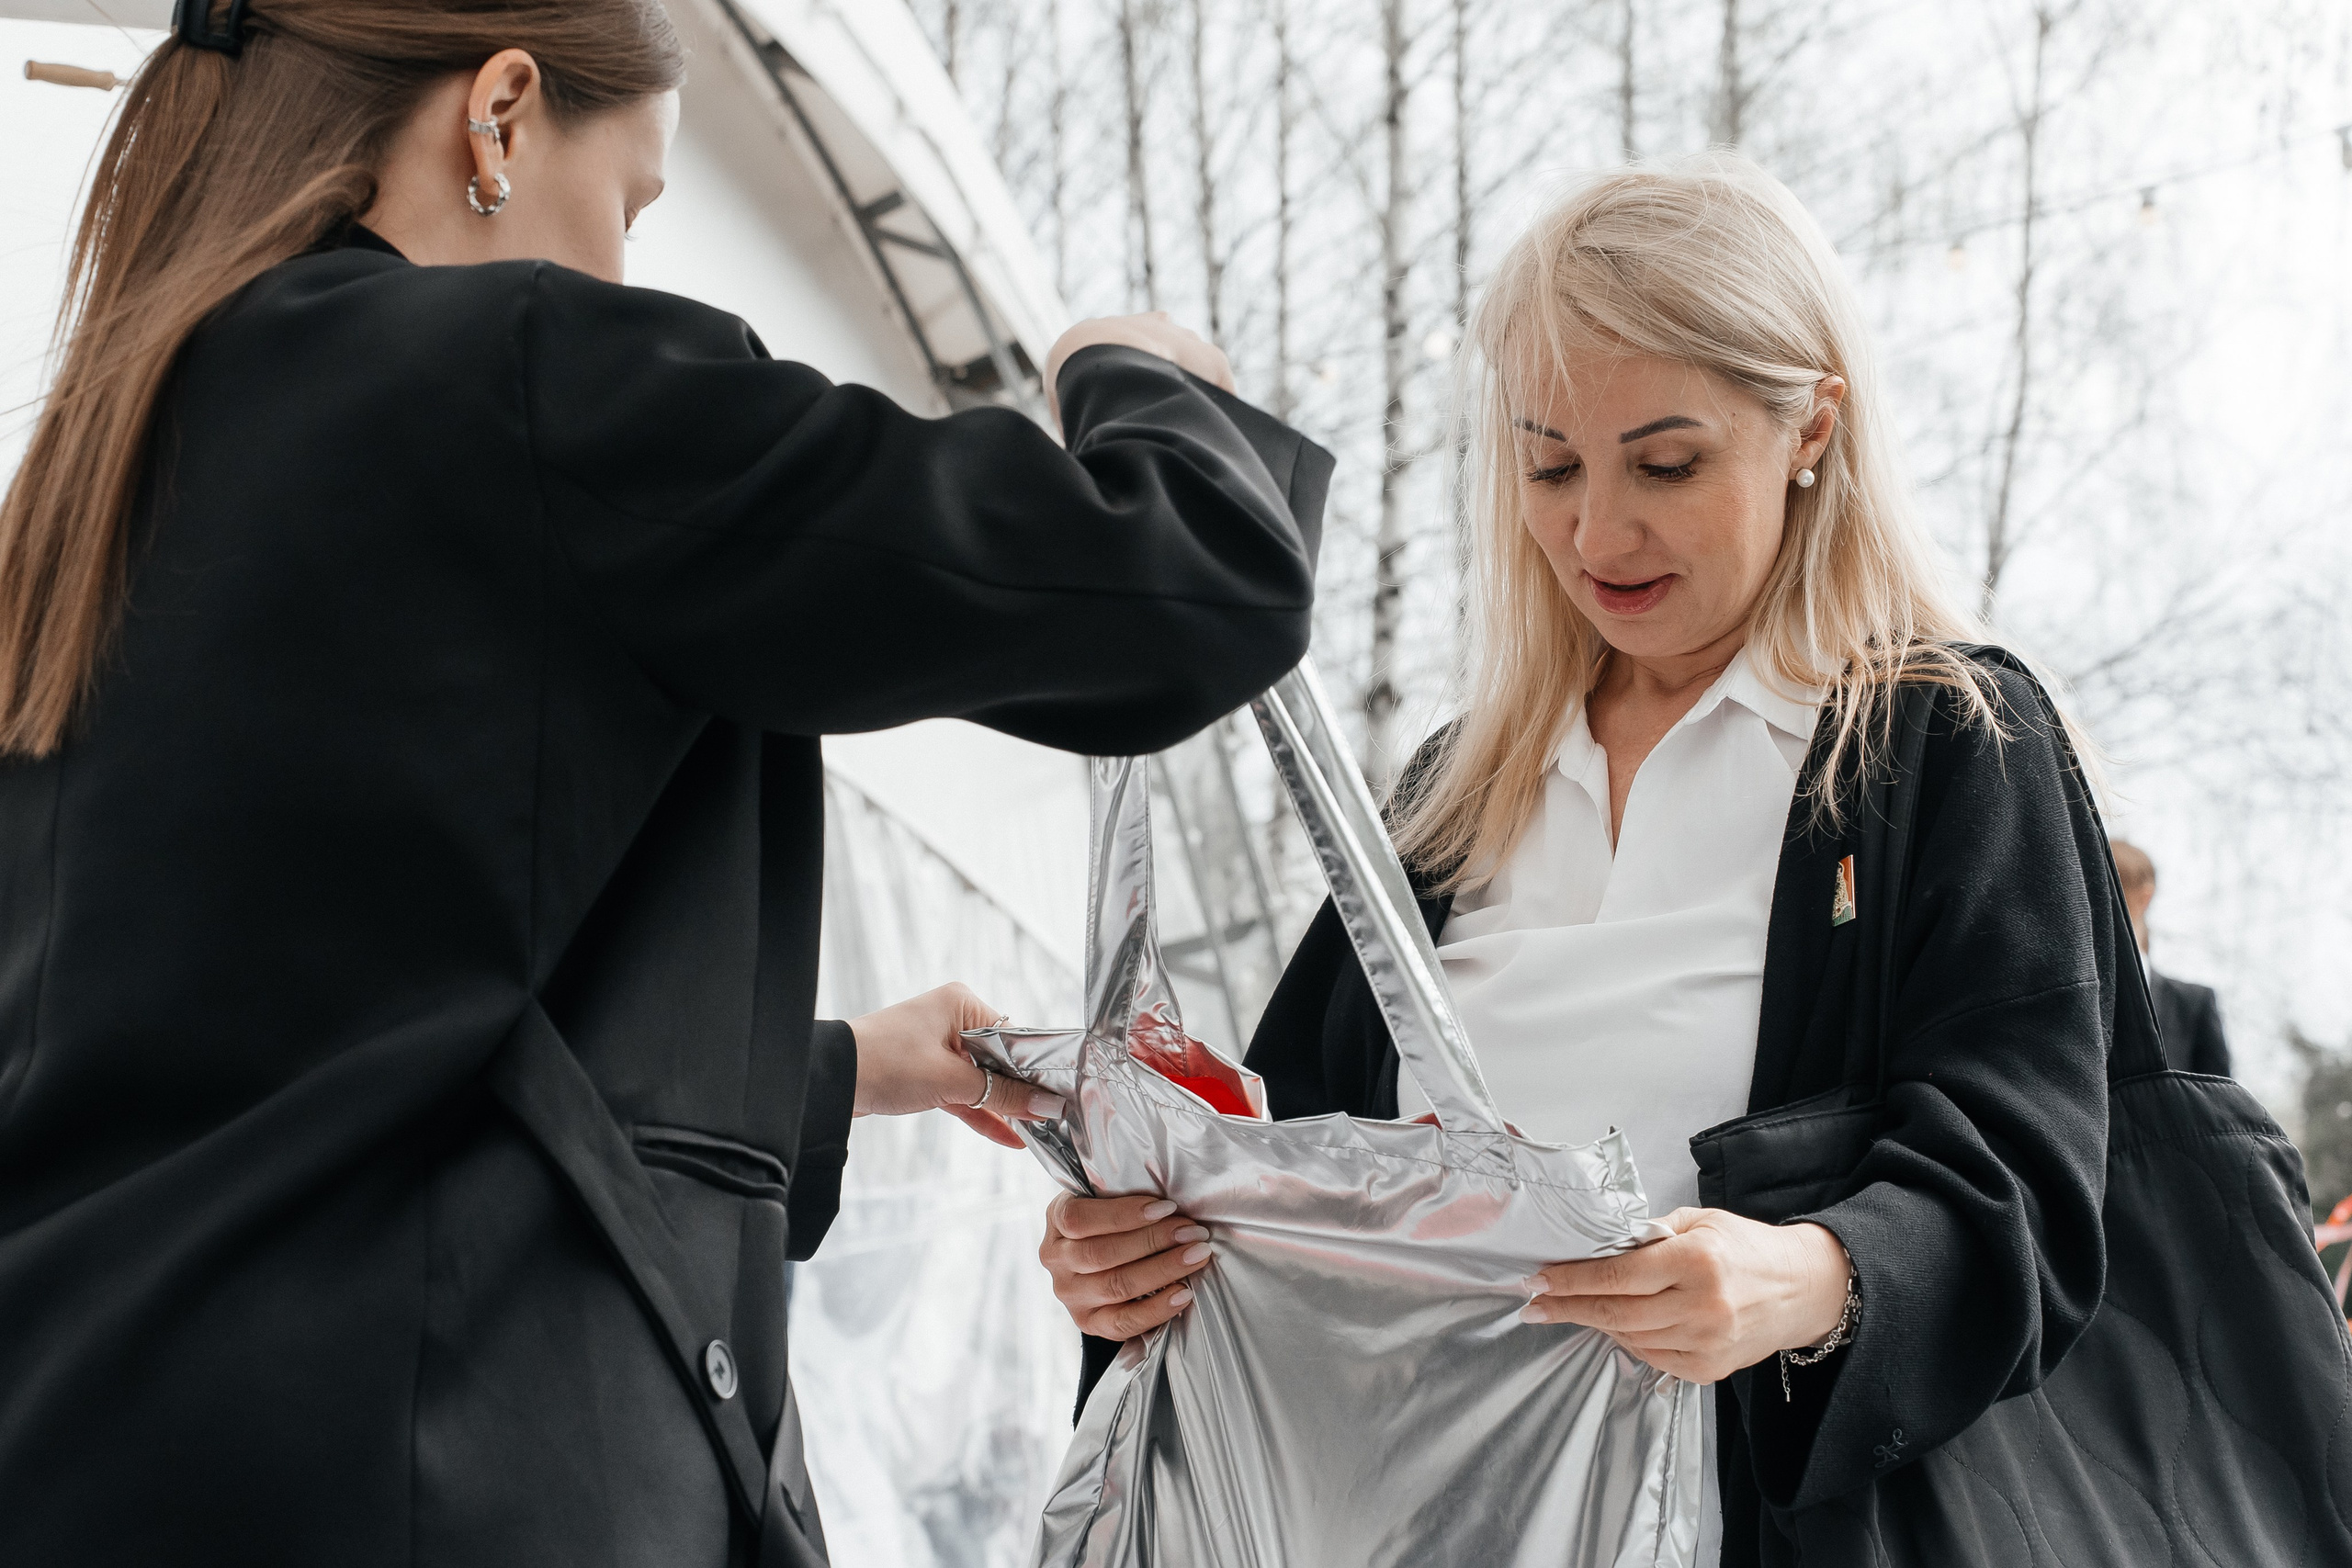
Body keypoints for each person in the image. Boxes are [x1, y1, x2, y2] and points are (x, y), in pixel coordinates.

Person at [0, 4, 1329, 1565]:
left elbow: (309, 1031)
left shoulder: (87, 484)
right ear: (500, 115)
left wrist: (857, 1069)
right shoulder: (528, 373)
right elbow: (1182, 588)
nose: (624, 271)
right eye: (631, 203)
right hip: (427, 1482)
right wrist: (1142, 377)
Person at [1037, 156, 2141, 1566]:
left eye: (1666, 464)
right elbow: (1287, 1163)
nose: (1595, 531)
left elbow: (2032, 1189)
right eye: (1549, 463)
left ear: (1812, 426)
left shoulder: (1938, 746)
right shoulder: (1456, 791)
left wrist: (1809, 1275)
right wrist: (1139, 1253)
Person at [2109, 839, 2233, 1076]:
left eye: (2110, 891)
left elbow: (2214, 1096)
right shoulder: (2063, 996)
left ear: (2143, 898)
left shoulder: (2192, 1006)